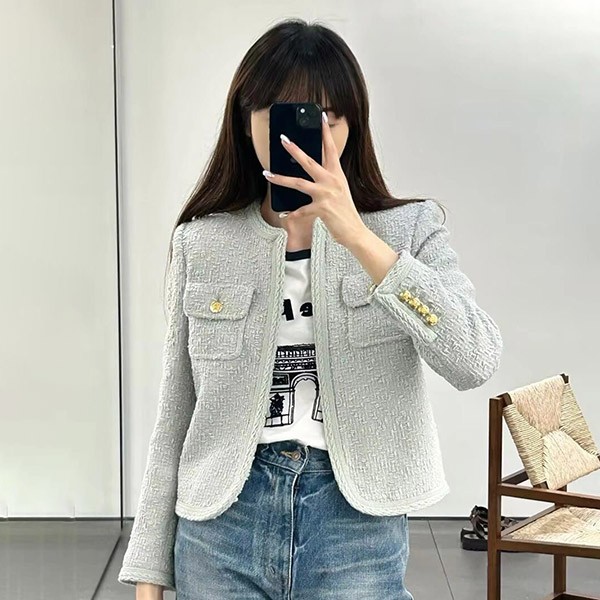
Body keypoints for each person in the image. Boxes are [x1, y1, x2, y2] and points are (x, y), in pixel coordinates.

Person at [118, 17, 503, 600]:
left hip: (355, 522)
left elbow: (475, 359)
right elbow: (177, 408)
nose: (306, 135)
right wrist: (149, 570)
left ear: (353, 125)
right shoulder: (203, 241)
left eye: (329, 117)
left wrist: (359, 239)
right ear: (246, 121)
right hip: (220, 525)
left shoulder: (408, 230)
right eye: (285, 116)